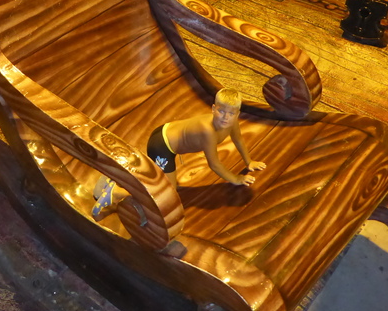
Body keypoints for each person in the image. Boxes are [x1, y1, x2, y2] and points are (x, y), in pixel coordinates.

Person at [92, 88, 266, 219]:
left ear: (237, 114)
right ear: (213, 108)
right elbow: (214, 164)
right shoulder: (208, 131)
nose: (225, 117)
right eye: (221, 111)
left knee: (160, 180)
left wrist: (249, 162)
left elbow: (238, 140)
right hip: (162, 145)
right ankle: (117, 192)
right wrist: (235, 179)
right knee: (167, 193)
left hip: (168, 135)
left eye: (231, 113)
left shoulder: (232, 123)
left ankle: (122, 177)